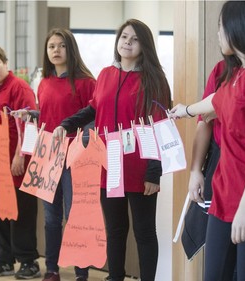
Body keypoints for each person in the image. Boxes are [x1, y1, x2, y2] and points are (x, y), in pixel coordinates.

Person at [170, 2, 245, 280]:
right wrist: (185, 110)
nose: (219, 34)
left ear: (241, 28)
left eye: (222, 27)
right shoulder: (236, 74)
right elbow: (215, 101)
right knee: (214, 275)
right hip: (225, 192)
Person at [53, 19, 171, 281]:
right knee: (115, 230)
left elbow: (160, 126)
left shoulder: (155, 79)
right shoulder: (106, 73)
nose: (127, 42)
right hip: (110, 165)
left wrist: (154, 171)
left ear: (144, 45)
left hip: (140, 167)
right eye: (124, 37)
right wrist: (66, 124)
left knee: (144, 232)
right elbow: (94, 108)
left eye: (134, 39)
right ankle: (115, 277)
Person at [34, 28, 95, 281]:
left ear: (71, 49)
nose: (56, 51)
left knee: (75, 215)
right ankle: (52, 269)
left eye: (61, 46)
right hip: (48, 154)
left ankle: (82, 272)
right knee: (51, 218)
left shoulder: (86, 82)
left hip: (76, 156)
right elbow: (48, 115)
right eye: (51, 47)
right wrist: (30, 116)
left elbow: (92, 118)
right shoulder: (44, 82)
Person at [0, 44, 40, 279]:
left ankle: (28, 261)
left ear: (6, 63)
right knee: (0, 212)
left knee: (21, 213)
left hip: (16, 164)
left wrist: (20, 155)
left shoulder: (19, 87)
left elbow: (29, 123)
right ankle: (3, 260)